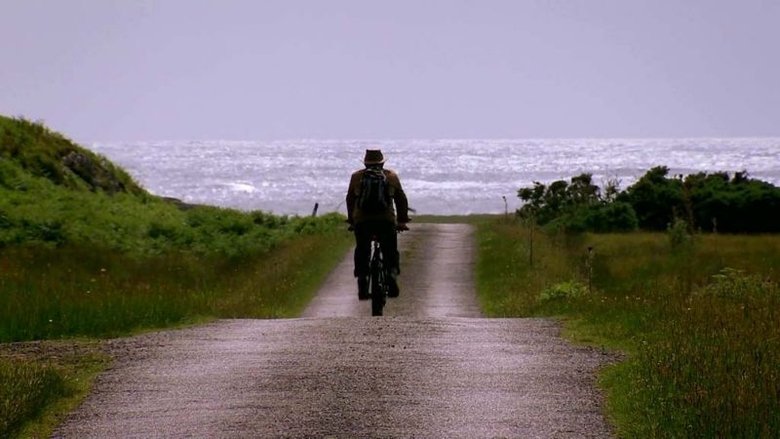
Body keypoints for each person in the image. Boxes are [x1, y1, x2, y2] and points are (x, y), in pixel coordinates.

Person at [346, 149, 410, 300]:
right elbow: (401, 200)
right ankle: (391, 274)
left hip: (363, 221)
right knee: (390, 250)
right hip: (385, 221)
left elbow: (350, 200)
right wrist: (402, 221)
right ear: (382, 162)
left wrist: (352, 220)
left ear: (365, 163)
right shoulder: (391, 176)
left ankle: (362, 279)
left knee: (362, 249)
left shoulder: (356, 177)